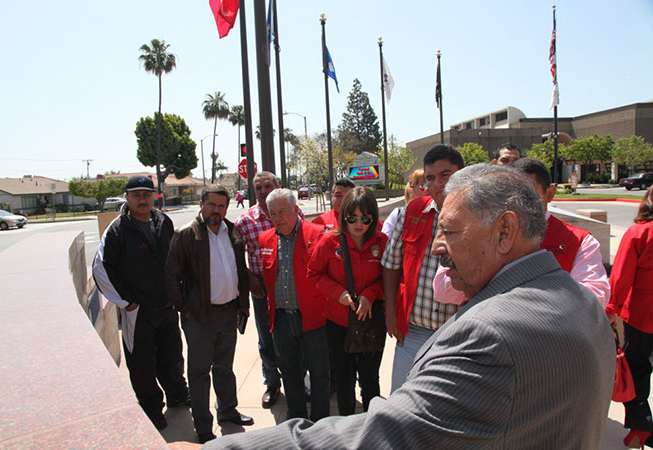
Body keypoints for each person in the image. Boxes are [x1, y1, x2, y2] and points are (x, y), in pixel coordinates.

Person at [202, 163, 615, 449]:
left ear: (505, 231)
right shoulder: (583, 304)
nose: (437, 248)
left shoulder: (492, 335)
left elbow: (383, 437)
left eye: (450, 232)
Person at [434, 157, 610, 307]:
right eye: (505, 196)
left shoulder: (579, 241)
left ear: (549, 194)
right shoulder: (483, 233)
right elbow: (443, 292)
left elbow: (593, 301)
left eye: (527, 195)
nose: (517, 203)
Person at [92, 175, 189, 430]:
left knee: (172, 357)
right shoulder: (118, 229)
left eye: (147, 194)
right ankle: (151, 409)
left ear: (155, 196)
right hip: (139, 311)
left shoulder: (163, 221)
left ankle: (178, 395)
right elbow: (101, 269)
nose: (142, 199)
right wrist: (127, 303)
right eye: (136, 195)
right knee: (142, 364)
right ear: (127, 198)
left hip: (166, 307)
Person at [164, 185, 254, 444]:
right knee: (200, 373)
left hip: (229, 311)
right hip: (200, 317)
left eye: (222, 206)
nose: (217, 210)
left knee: (224, 367)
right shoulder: (185, 235)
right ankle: (203, 424)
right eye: (212, 204)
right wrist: (186, 309)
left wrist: (243, 305)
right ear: (202, 204)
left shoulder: (233, 231)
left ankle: (228, 411)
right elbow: (171, 276)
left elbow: (240, 271)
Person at [381, 144, 464, 393]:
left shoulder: (479, 215)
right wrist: (391, 313)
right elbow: (391, 264)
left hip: (459, 333)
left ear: (462, 173)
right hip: (415, 331)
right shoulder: (411, 213)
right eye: (430, 178)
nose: (438, 183)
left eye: (445, 175)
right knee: (401, 399)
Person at [308, 187, 388, 415]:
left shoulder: (382, 243)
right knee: (344, 380)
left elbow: (391, 278)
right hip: (339, 323)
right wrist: (338, 293)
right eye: (352, 217)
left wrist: (371, 294)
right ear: (343, 216)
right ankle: (345, 428)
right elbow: (313, 274)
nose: (358, 223)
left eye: (365, 218)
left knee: (371, 380)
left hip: (371, 322)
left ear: (373, 217)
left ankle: (370, 427)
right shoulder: (328, 242)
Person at [259, 189, 330, 422]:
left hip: (312, 317)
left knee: (319, 373)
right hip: (280, 320)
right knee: (289, 373)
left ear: (295, 209)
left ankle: (320, 420)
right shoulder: (265, 239)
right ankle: (296, 418)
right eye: (273, 213)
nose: (278, 217)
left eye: (282, 211)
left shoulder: (318, 234)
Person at [234, 172, 304, 408]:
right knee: (267, 338)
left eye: (267, 186)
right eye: (258, 187)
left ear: (277, 186)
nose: (263, 191)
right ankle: (272, 383)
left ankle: (297, 382)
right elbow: (232, 254)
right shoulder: (245, 220)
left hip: (292, 285)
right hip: (263, 289)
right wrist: (248, 276)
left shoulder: (294, 212)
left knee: (296, 336)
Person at [606, 186, 653, 449]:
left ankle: (640, 425)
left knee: (637, 368)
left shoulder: (640, 233)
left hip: (643, 313)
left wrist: (611, 308)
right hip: (643, 310)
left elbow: (621, 275)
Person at [313, 179, 383, 232]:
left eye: (348, 196)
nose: (343, 200)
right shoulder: (319, 223)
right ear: (332, 197)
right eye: (338, 196)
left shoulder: (369, 221)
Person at [381, 169, 427, 237]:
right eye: (424, 185)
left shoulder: (439, 214)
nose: (428, 189)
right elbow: (385, 240)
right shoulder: (398, 214)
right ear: (411, 191)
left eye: (431, 184)